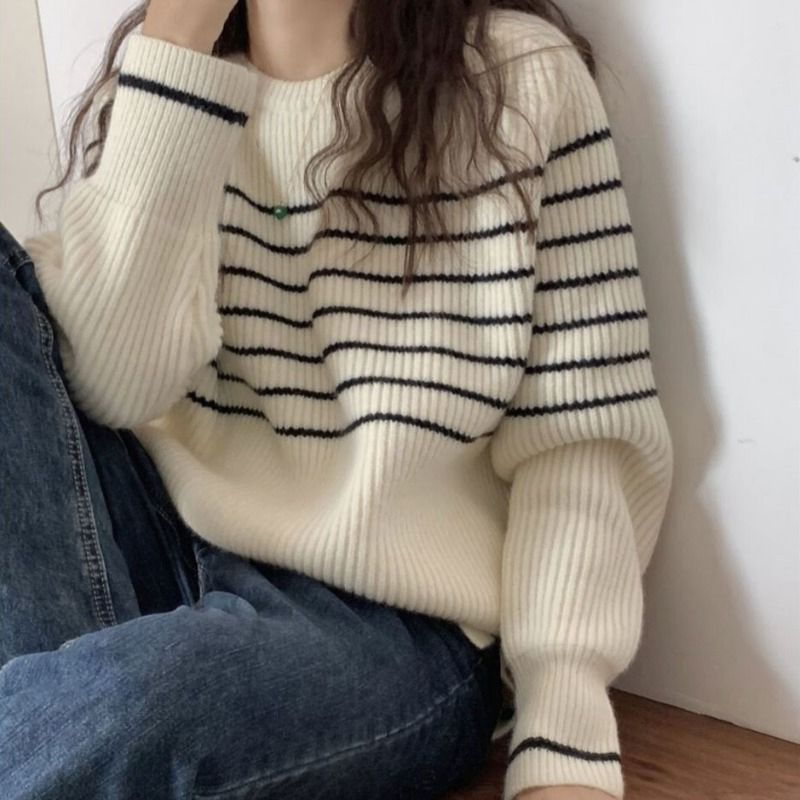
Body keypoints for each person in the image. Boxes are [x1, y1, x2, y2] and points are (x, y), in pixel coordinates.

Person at [0, 1, 673, 799]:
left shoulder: (517, 81)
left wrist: (565, 720)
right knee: (125, 703)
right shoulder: (168, 75)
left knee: (150, 702)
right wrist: (175, 46)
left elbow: (576, 433)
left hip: (388, 628)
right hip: (163, 549)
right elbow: (117, 387)